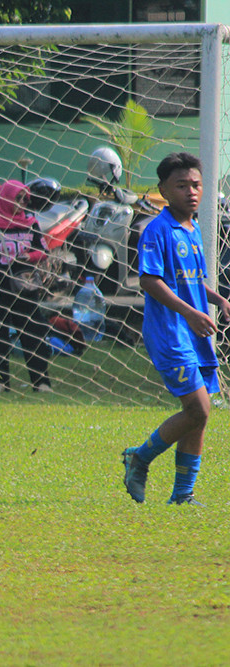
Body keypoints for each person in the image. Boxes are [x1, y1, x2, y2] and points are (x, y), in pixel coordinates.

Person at [122, 152, 230, 506]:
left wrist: (217, 300)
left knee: (199, 416)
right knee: (198, 408)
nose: (191, 191)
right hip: (170, 333)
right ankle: (140, 457)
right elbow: (150, 280)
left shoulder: (193, 228)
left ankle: (183, 495)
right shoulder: (157, 230)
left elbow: (193, 281)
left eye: (196, 184)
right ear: (163, 190)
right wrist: (190, 313)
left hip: (194, 331)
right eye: (181, 185)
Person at [0, 179, 53, 393]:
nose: (21, 204)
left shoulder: (31, 223)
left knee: (33, 332)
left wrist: (30, 256)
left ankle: (41, 381)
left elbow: (42, 251)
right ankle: (0, 381)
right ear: (6, 198)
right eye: (17, 199)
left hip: (24, 287)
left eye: (24, 199)